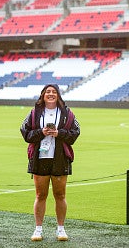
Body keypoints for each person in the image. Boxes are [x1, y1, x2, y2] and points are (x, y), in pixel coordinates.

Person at [20, 84, 80, 242]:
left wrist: (59, 133)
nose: (51, 94)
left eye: (54, 92)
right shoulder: (34, 113)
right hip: (40, 159)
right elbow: (25, 132)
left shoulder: (67, 113)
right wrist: (42, 132)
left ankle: (61, 229)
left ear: (58, 95)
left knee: (60, 195)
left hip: (60, 158)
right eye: (48, 92)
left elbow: (76, 133)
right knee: (40, 195)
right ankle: (38, 229)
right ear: (43, 95)